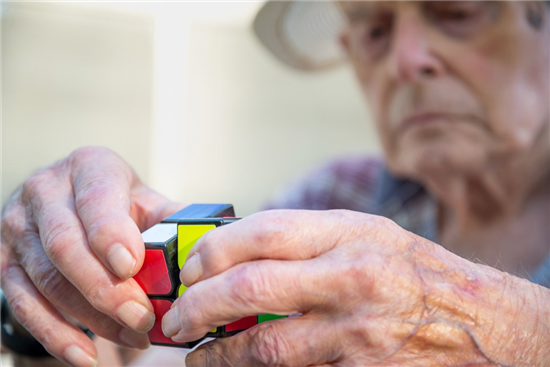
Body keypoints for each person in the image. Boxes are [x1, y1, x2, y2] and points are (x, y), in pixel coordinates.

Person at [1, 0, 549, 366]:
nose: (406, 60)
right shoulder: (331, 197)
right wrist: (59, 283)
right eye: (374, 30)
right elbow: (151, 334)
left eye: (457, 12)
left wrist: (510, 331)